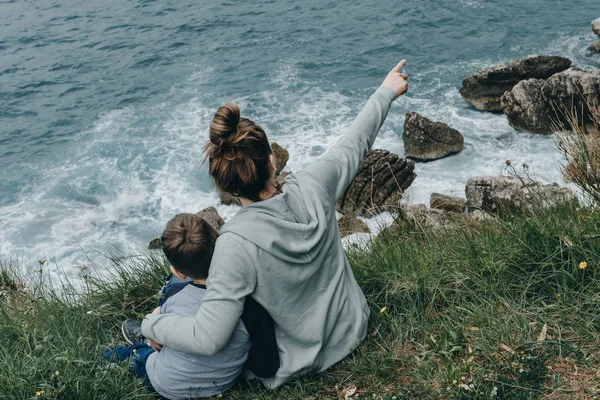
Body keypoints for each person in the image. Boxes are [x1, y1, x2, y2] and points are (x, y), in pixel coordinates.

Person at [141, 60, 409, 388]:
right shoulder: (314, 183)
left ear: (223, 186)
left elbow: (208, 337)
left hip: (302, 362)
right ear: (271, 160)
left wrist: (154, 324)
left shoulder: (234, 243)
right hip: (353, 328)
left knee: (190, 292)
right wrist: (386, 92)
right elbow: (355, 142)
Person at [102, 213, 252, 399]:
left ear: (178, 272)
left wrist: (154, 321)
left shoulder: (175, 297)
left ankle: (112, 352)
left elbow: (167, 340)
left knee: (135, 354)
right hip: (221, 382)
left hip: (168, 385)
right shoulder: (247, 294)